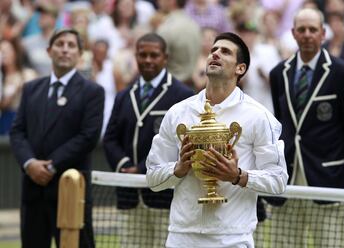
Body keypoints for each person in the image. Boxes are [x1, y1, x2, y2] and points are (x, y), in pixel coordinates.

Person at [146, 32, 288, 248]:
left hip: (232, 239)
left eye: (225, 51)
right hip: (181, 237)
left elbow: (278, 180)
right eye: (213, 50)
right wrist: (179, 169)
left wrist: (238, 175)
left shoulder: (260, 116)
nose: (215, 54)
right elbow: (153, 178)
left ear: (240, 68)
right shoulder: (177, 113)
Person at [269, 8, 344, 247]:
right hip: (287, 177)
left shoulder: (343, 73)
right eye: (302, 29)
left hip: (327, 177)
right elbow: (283, 125)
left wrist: (336, 163)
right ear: (293, 33)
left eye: (313, 29)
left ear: (323, 33)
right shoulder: (278, 73)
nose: (307, 34)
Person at [10, 28, 104, 248]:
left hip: (71, 191)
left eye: (71, 45)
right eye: (60, 44)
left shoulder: (92, 92)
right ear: (49, 51)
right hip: (33, 192)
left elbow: (88, 136)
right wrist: (30, 164)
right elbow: (17, 132)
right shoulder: (31, 89)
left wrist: (51, 167)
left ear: (80, 54)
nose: (65, 49)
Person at [103, 33, 193, 247]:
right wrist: (125, 167)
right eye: (143, 55)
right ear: (136, 56)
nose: (148, 60)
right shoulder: (124, 95)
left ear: (165, 57)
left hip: (164, 196)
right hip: (128, 196)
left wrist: (143, 169)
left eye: (154, 55)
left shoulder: (182, 95)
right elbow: (110, 139)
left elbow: (183, 144)